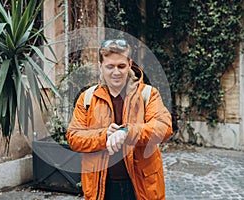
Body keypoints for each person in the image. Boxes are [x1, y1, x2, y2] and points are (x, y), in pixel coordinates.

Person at [66, 39, 172, 200]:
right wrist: (104, 136)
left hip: (141, 186)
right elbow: (74, 137)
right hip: (101, 187)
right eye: (110, 66)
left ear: (129, 65)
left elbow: (163, 127)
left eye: (121, 66)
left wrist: (126, 132)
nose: (116, 72)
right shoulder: (87, 98)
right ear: (100, 66)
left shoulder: (148, 94)